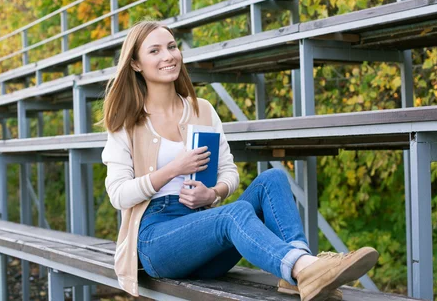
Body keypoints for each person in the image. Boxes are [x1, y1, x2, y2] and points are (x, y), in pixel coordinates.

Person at [102, 21, 379, 301]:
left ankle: (297, 275)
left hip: (207, 231)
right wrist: (173, 169)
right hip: (158, 241)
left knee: (273, 179)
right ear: (136, 64)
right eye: (155, 51)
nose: (168, 56)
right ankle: (305, 268)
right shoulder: (126, 122)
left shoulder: (203, 110)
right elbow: (118, 194)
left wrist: (213, 193)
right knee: (234, 213)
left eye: (172, 47)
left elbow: (228, 172)